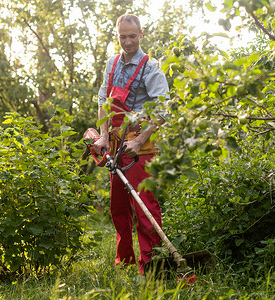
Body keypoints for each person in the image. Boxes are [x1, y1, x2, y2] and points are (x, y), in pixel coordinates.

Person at [94, 14, 169, 275]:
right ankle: (124, 261)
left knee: (146, 205)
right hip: (115, 144)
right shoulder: (112, 64)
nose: (128, 42)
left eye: (132, 36)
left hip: (141, 147)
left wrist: (139, 140)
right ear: (117, 36)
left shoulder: (150, 67)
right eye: (123, 36)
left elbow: (162, 111)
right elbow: (103, 100)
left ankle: (152, 266)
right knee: (119, 208)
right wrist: (103, 135)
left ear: (141, 34)